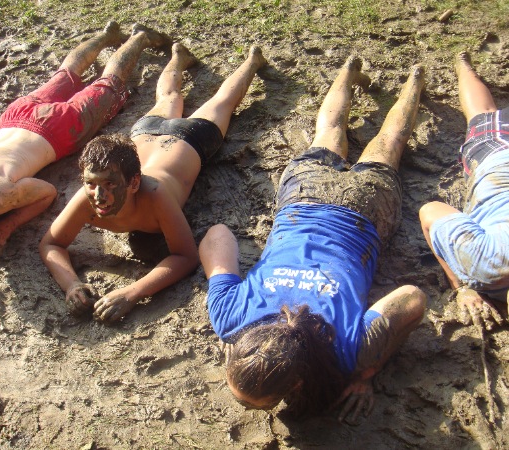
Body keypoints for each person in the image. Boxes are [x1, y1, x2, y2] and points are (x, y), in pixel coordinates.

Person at [198, 56, 427, 422]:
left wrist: (368, 370)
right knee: (329, 131)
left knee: (390, 143)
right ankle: (352, 70)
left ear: (296, 384)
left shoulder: (348, 352)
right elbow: (218, 234)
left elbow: (412, 297)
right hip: (303, 199)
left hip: (364, 215)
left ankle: (415, 79)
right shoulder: (230, 317)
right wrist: (226, 313)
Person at [0, 21, 171, 270]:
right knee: (66, 74)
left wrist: (3, 229)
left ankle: (140, 36)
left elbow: (47, 193)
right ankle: (107, 35)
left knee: (109, 85)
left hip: (57, 130)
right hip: (15, 117)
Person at [39, 45, 267, 321]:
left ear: (134, 183)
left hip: (190, 138)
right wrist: (71, 285)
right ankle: (178, 56)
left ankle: (253, 60)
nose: (98, 195)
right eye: (91, 183)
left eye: (110, 185)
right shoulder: (87, 198)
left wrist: (132, 292)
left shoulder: (155, 195)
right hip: (144, 133)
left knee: (223, 101)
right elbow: (51, 244)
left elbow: (186, 257)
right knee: (169, 96)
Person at [420, 52, 509, 330]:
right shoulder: (486, 264)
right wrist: (461, 286)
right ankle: (462, 65)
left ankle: (463, 65)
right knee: (481, 113)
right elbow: (429, 211)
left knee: (484, 112)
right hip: (497, 153)